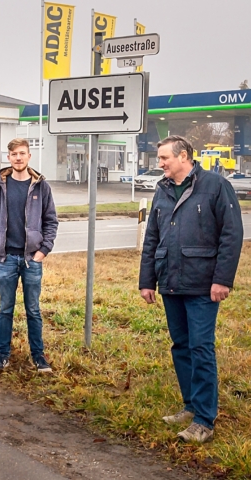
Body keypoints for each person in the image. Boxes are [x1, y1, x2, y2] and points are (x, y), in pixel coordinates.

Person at [139, 135, 243, 443]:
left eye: (164, 158)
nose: (159, 164)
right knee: (181, 346)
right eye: (159, 158)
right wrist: (147, 281)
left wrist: (222, 279)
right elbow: (152, 238)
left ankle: (204, 419)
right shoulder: (163, 189)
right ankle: (190, 404)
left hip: (202, 284)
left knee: (201, 348)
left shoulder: (215, 186)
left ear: (183, 156)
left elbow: (231, 235)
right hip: (171, 281)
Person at [0, 138, 59, 375]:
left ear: (28, 157)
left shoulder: (41, 186)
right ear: (9, 157)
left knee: (33, 310)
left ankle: (39, 357)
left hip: (30, 260)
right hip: (5, 259)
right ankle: (2, 356)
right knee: (5, 309)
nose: (18, 158)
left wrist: (42, 251)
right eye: (14, 154)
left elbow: (51, 221)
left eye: (22, 153)